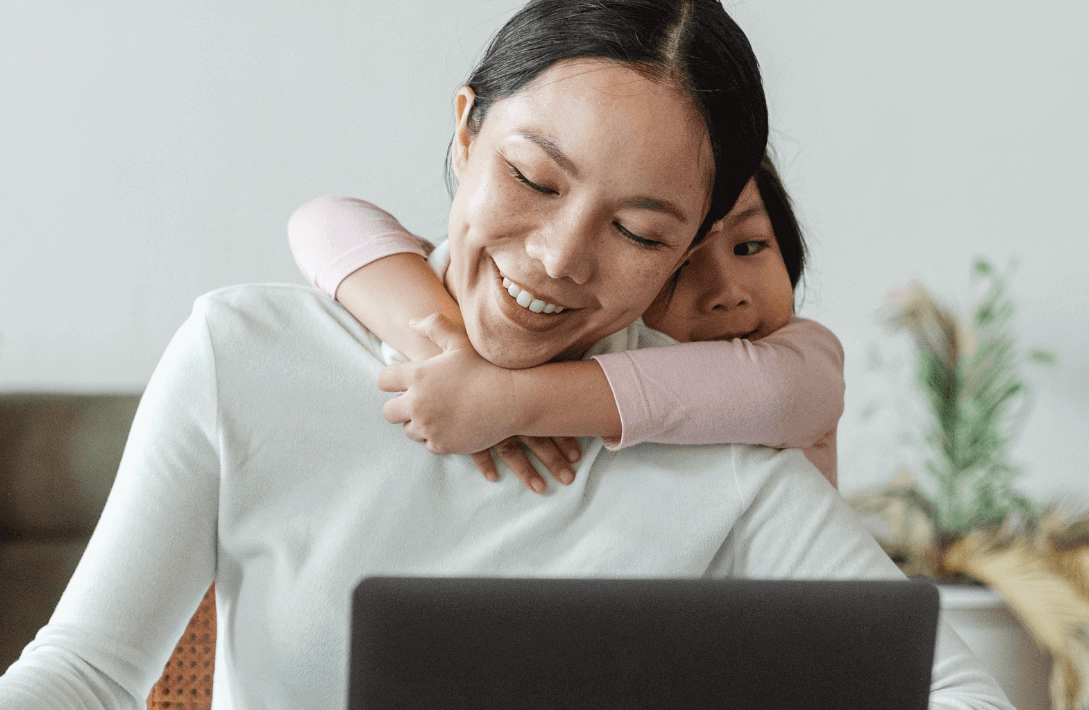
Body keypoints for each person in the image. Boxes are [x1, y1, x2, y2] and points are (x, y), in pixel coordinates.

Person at [0, 2, 1033, 710]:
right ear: (463, 134)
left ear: (687, 255)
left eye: (639, 229)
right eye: (531, 176)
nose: (560, 257)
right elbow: (85, 683)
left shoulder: (722, 452)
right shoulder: (246, 356)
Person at [288, 156, 844, 490]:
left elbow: (772, 390)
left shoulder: (802, 358)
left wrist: (508, 398)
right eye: (679, 265)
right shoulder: (597, 343)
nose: (727, 293)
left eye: (752, 246)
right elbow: (326, 221)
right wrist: (449, 353)